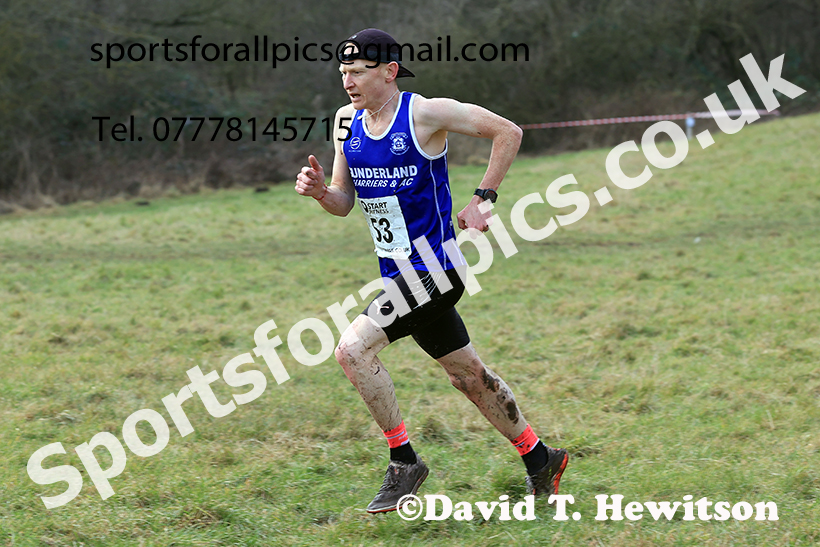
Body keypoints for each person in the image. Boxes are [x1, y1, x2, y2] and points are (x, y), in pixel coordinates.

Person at [294, 28, 567, 514]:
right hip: (397, 275)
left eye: (358, 73)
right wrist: (319, 192)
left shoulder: (423, 113)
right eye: (343, 74)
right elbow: (343, 202)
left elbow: (509, 131)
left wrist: (484, 198)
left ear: (389, 71)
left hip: (436, 271)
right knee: (467, 375)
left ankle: (403, 461)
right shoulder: (344, 122)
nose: (348, 83)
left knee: (352, 350)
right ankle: (540, 458)